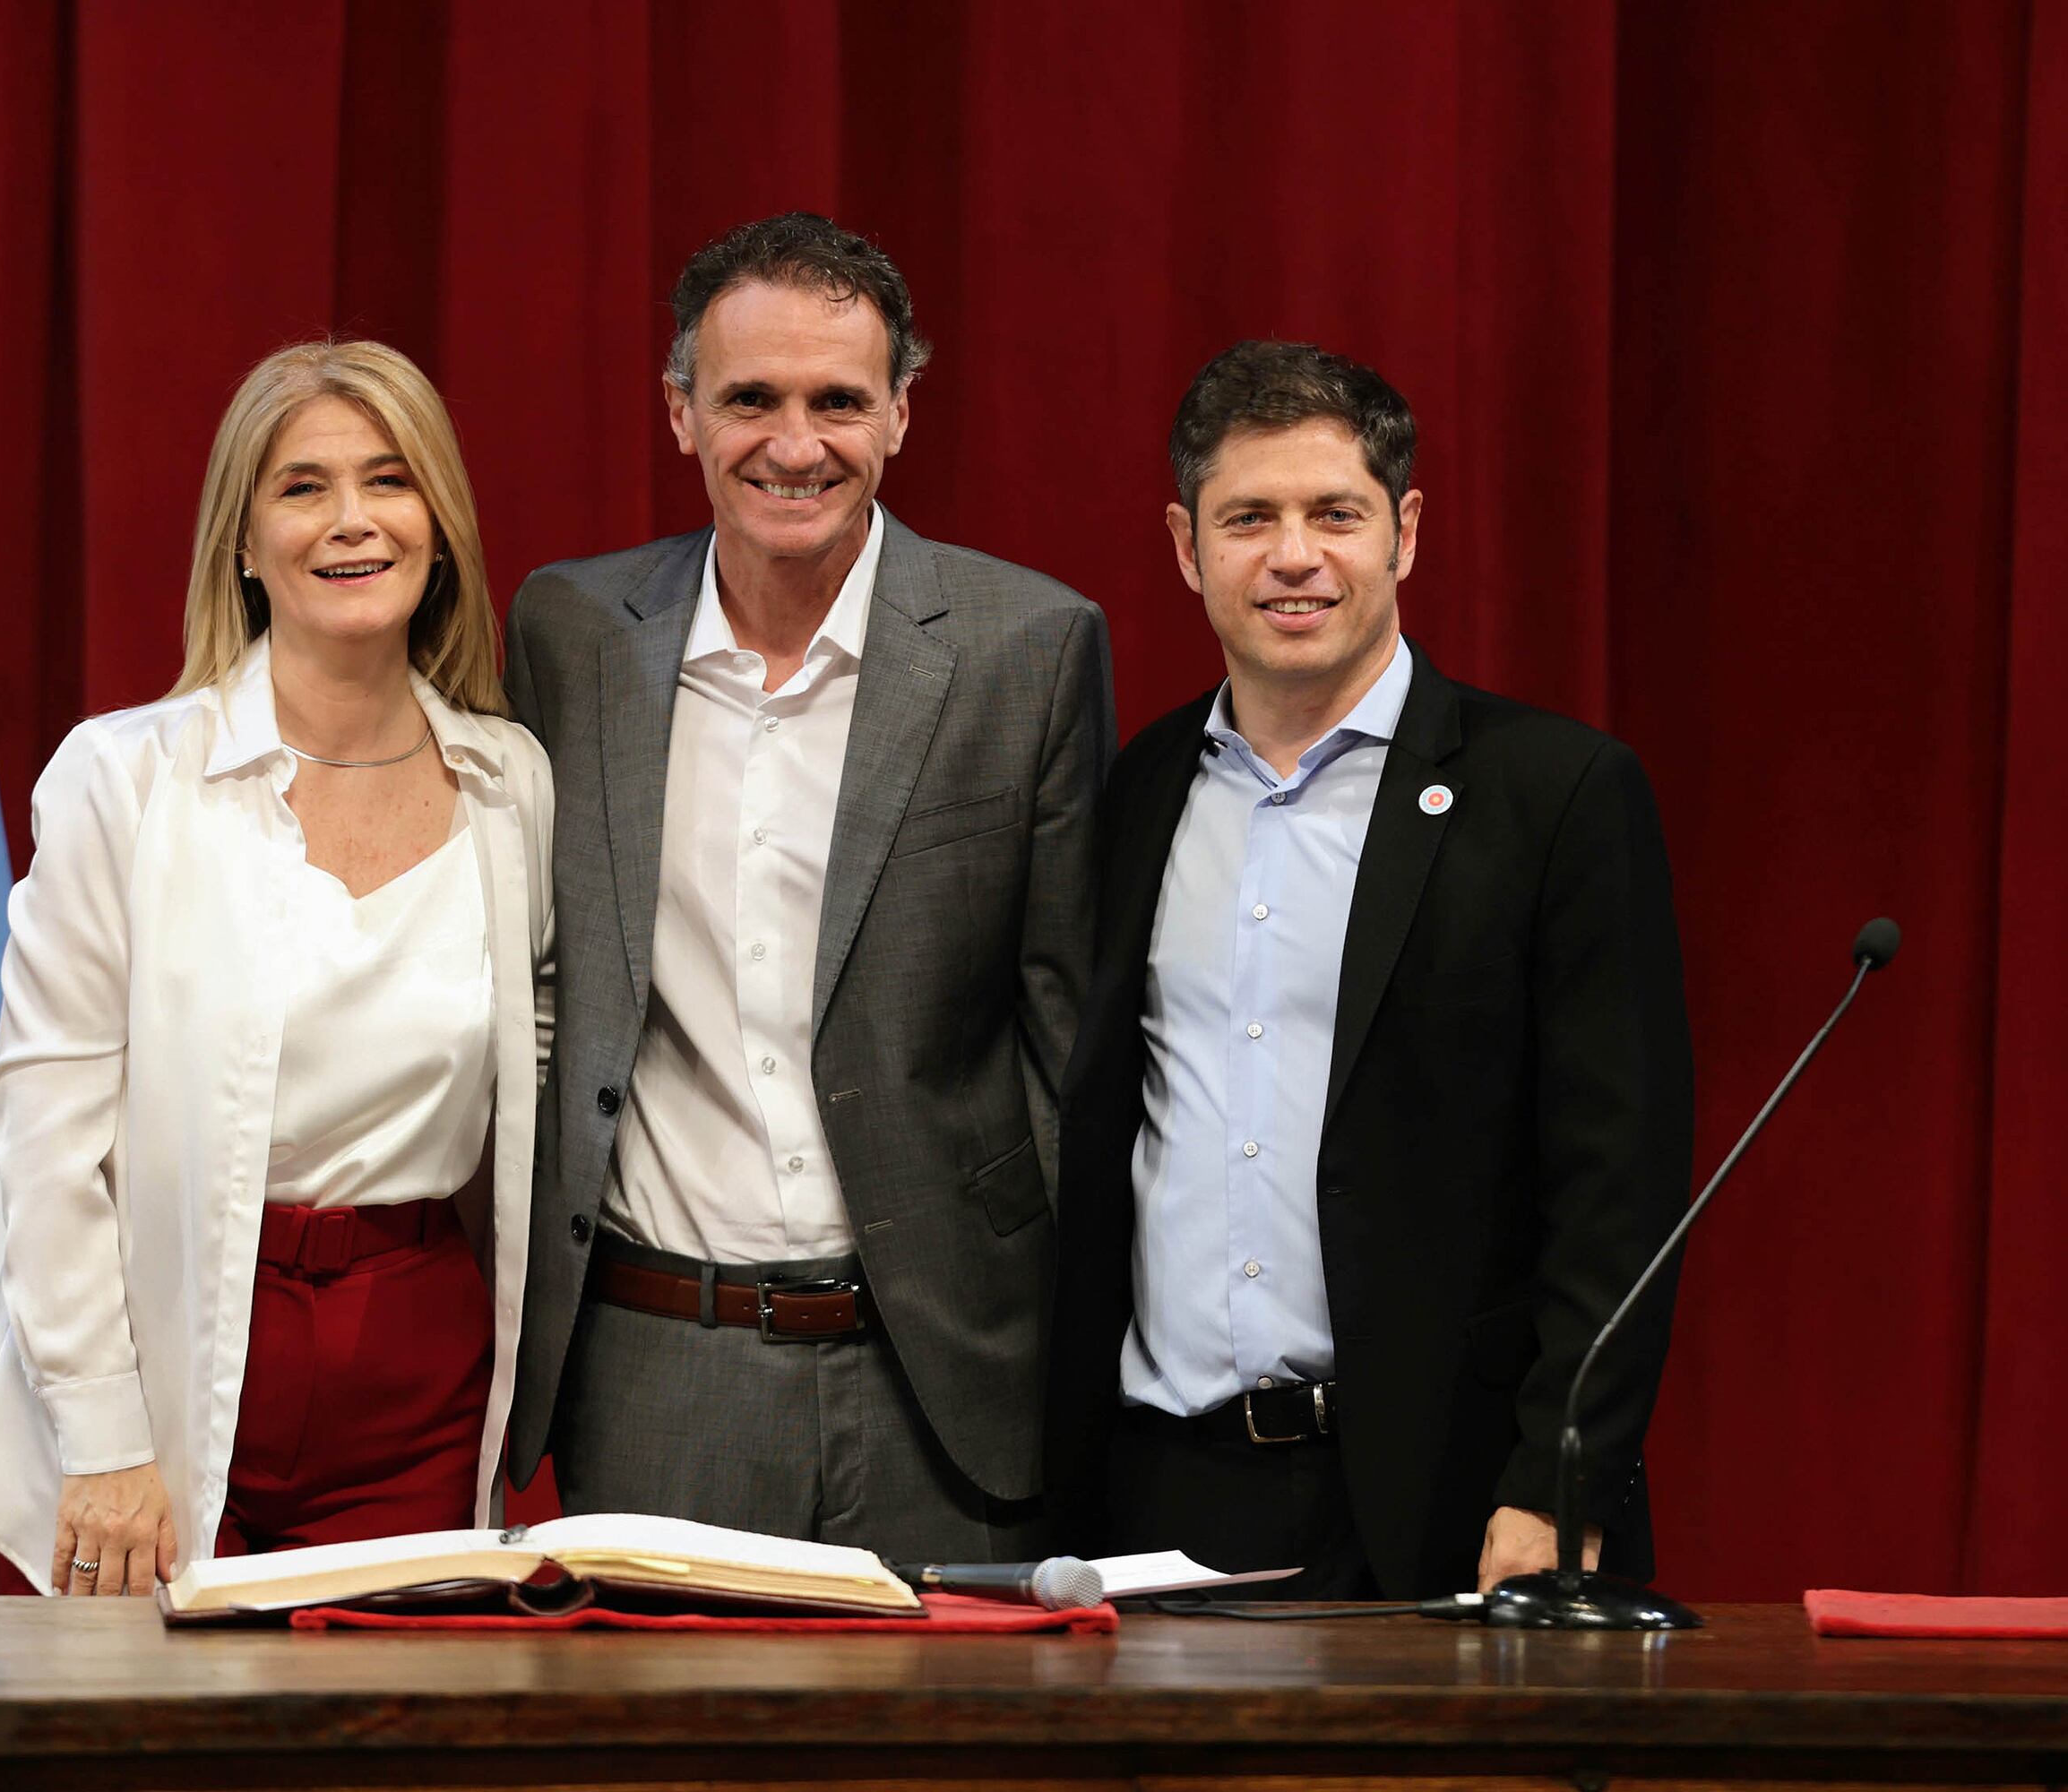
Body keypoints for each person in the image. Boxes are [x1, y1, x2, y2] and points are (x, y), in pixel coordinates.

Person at [501, 213, 1112, 1557]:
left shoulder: (1029, 647)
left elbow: (1068, 1040)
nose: (795, 445)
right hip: (656, 1366)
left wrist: (1049, 1341)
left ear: (901, 412)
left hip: (943, 1377)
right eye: (751, 400)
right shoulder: (569, 635)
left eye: (838, 401)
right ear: (680, 413)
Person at [1044, 340, 1694, 1598]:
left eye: (1335, 514)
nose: (1294, 556)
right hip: (1154, 1496)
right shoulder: (1138, 790)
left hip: (1443, 1499)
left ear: (1405, 533)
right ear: (1186, 548)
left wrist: (1559, 1481)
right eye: (1249, 519)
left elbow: (1620, 1194)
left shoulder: (1557, 793)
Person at [0, 340, 554, 1596]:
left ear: (439, 523)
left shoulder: (513, 784)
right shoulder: (124, 779)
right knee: (148, 1713)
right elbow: (48, 1135)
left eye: (389, 479)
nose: (352, 520)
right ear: (242, 540)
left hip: (414, 1375)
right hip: (166, 1353)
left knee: (383, 1716)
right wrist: (104, 1438)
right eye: (303, 487)